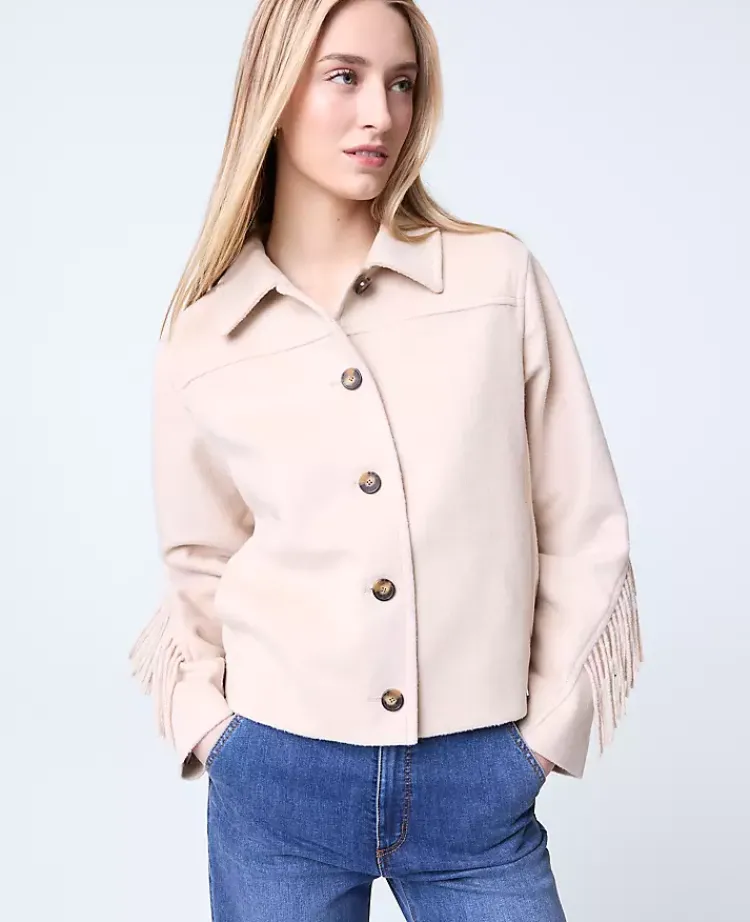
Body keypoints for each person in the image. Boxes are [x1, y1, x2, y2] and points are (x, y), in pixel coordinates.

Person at [128, 0, 644, 918]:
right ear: (274, 93)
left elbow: (581, 523)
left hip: (477, 779)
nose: (381, 114)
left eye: (402, 84)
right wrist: (212, 732)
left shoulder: (494, 281)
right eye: (345, 77)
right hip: (274, 780)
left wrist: (540, 740)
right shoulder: (205, 335)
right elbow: (198, 560)